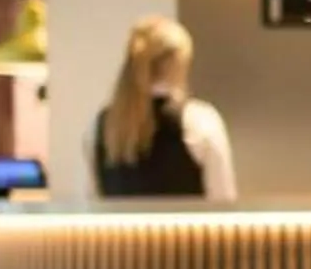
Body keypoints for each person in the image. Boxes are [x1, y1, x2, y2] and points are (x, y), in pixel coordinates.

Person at [88, 16, 237, 198]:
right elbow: (223, 200)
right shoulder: (200, 122)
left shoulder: (100, 126)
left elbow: (91, 202)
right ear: (180, 65)